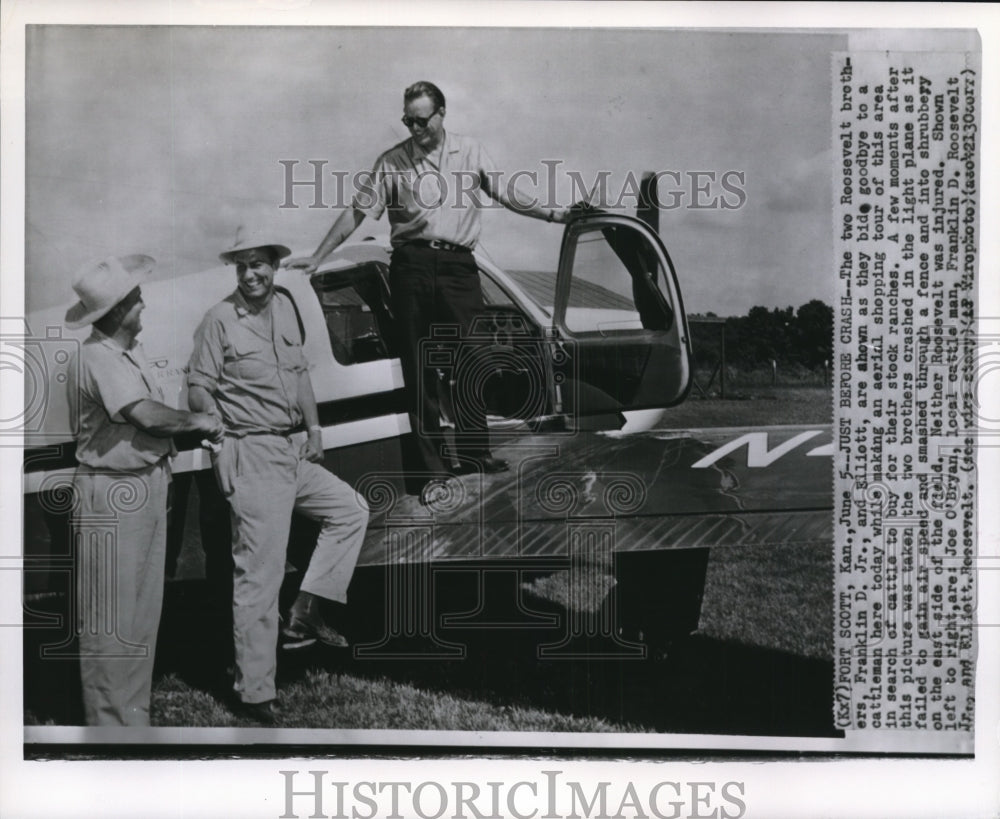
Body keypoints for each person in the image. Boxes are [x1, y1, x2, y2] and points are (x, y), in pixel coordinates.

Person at [287, 81, 571, 498]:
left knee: (473, 356)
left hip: (458, 266)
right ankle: (432, 469)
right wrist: (317, 255)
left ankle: (476, 454)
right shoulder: (392, 162)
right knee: (420, 368)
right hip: (411, 267)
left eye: (421, 120)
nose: (414, 128)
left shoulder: (470, 152)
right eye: (407, 120)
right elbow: (358, 212)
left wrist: (557, 214)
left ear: (441, 114)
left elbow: (508, 192)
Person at [187, 229, 369, 725]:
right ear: (235, 270)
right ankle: (254, 692)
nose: (251, 275)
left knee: (350, 511)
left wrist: (314, 429)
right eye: (242, 266)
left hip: (292, 450)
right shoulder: (219, 320)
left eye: (258, 264)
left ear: (273, 266)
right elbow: (198, 391)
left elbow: (300, 376)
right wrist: (220, 443)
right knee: (259, 579)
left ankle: (307, 609)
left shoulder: (285, 311)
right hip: (252, 452)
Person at [65, 254, 223, 726]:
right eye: (135, 300)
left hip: (144, 485)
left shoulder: (123, 356)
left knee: (140, 616)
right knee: (111, 621)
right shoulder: (97, 357)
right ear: (115, 312)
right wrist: (201, 420)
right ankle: (110, 729)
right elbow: (147, 416)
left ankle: (132, 720)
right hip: (111, 494)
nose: (143, 304)